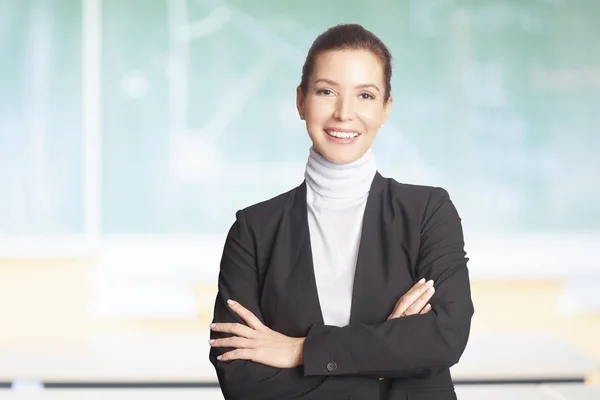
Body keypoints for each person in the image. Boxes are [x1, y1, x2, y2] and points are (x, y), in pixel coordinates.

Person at [208, 23, 474, 400]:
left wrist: (300, 350)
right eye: (326, 91)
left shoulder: (428, 212)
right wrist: (386, 363)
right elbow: (240, 376)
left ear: (386, 110)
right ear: (301, 101)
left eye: (365, 95)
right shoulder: (254, 229)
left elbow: (445, 337)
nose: (344, 113)